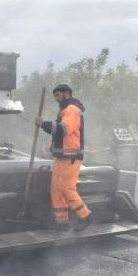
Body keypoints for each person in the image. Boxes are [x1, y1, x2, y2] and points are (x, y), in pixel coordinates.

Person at [36, 84, 92, 231]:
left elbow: (63, 129)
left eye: (57, 95)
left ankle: (85, 216)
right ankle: (62, 222)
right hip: (62, 157)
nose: (56, 99)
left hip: (71, 157)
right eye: (54, 96)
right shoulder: (64, 110)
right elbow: (59, 133)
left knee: (67, 188)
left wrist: (43, 124)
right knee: (56, 189)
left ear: (66, 94)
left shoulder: (72, 110)